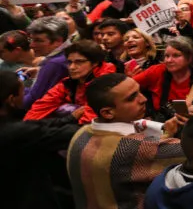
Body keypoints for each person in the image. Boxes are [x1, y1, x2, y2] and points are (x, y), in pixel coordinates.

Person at [68, 73, 185, 209]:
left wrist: (167, 133)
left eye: (139, 91)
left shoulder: (81, 133)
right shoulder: (132, 147)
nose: (143, 99)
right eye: (131, 98)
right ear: (108, 113)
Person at [0, 71, 81, 209]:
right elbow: (66, 134)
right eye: (22, 93)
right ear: (11, 99)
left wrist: (69, 119)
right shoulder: (16, 133)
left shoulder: (12, 125)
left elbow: (34, 126)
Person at [25, 40, 116, 124]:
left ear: (95, 63)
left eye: (79, 62)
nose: (72, 67)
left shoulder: (107, 83)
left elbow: (87, 124)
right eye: (70, 62)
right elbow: (40, 107)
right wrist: (28, 128)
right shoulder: (69, 83)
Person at [134, 36, 193, 122]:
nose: (169, 60)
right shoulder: (157, 70)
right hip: (159, 126)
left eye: (176, 55)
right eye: (166, 56)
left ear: (190, 58)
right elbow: (126, 87)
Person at [23, 17, 70, 109]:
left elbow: (33, 100)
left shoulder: (55, 64)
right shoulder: (68, 53)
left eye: (38, 40)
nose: (31, 45)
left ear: (58, 41)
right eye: (31, 40)